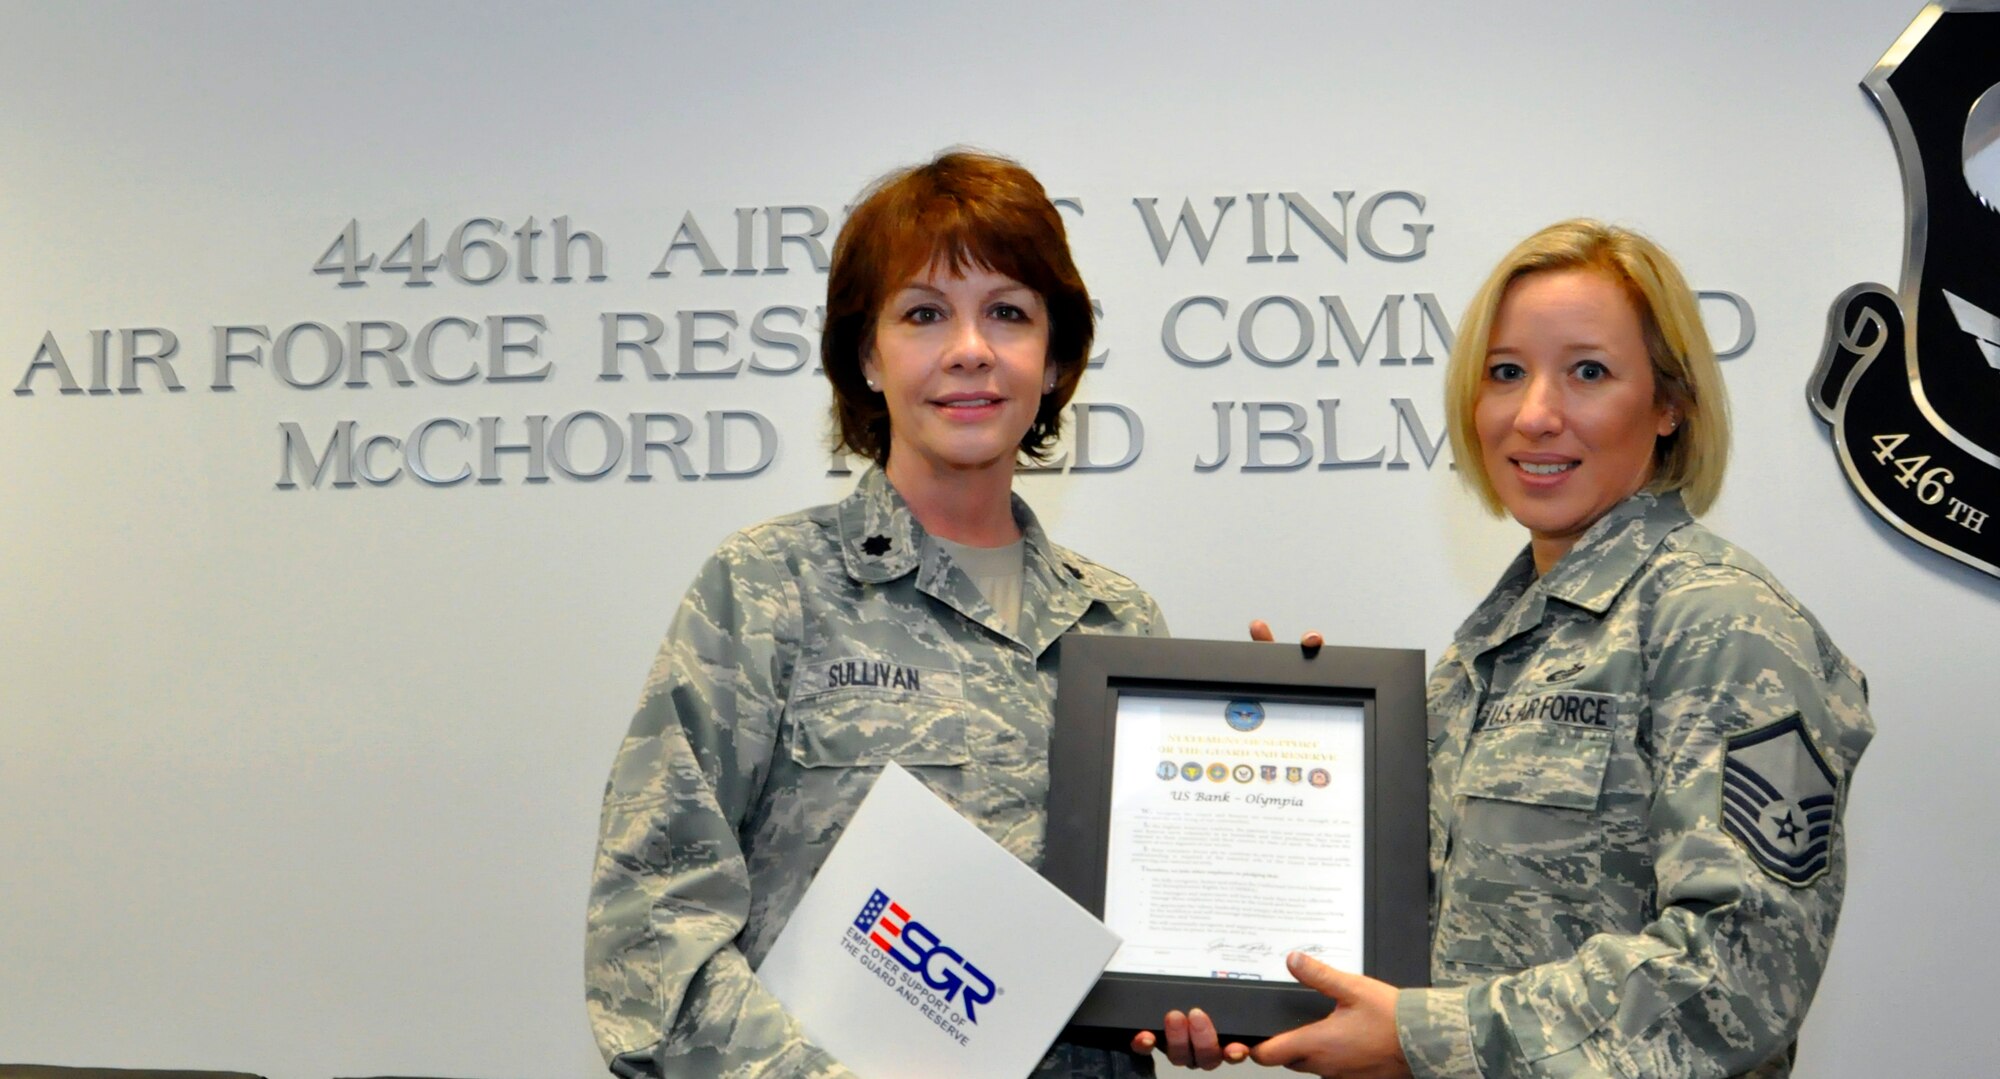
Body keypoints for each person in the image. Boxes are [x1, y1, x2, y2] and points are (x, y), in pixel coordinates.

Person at [1137, 220, 1873, 1078]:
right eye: (1506, 372)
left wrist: (1428, 1037)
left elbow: (1740, 972)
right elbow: (1421, 932)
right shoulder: (1485, 653)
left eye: (1588, 371)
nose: (1534, 414)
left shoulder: (1724, 623)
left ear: (1671, 404)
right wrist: (1292, 748)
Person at [585, 149, 1167, 1079]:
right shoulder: (767, 586)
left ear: (1054, 361)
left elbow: (1157, 928)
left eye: (1008, 313)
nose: (970, 348)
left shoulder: (1121, 621)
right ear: (867, 354)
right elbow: (650, 923)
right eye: (925, 313)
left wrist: (1278, 731)